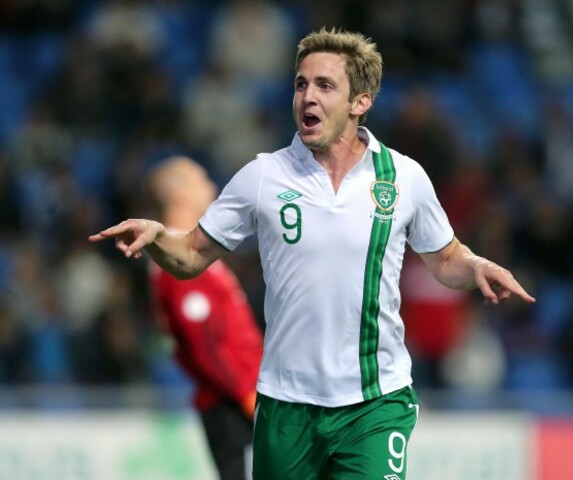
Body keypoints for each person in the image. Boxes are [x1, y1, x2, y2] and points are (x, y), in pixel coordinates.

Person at [90, 28, 535, 480]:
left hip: (374, 403)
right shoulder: (263, 177)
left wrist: (475, 264)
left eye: (324, 85)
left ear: (360, 102)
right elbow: (189, 256)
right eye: (301, 84)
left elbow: (444, 258)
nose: (307, 96)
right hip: (286, 406)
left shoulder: (404, 177)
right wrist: (158, 236)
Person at [145, 156, 263, 480]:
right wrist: (249, 396)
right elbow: (208, 347)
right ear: (181, 195)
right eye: (201, 180)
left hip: (237, 397)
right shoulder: (177, 263)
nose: (212, 187)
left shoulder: (192, 252)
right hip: (233, 404)